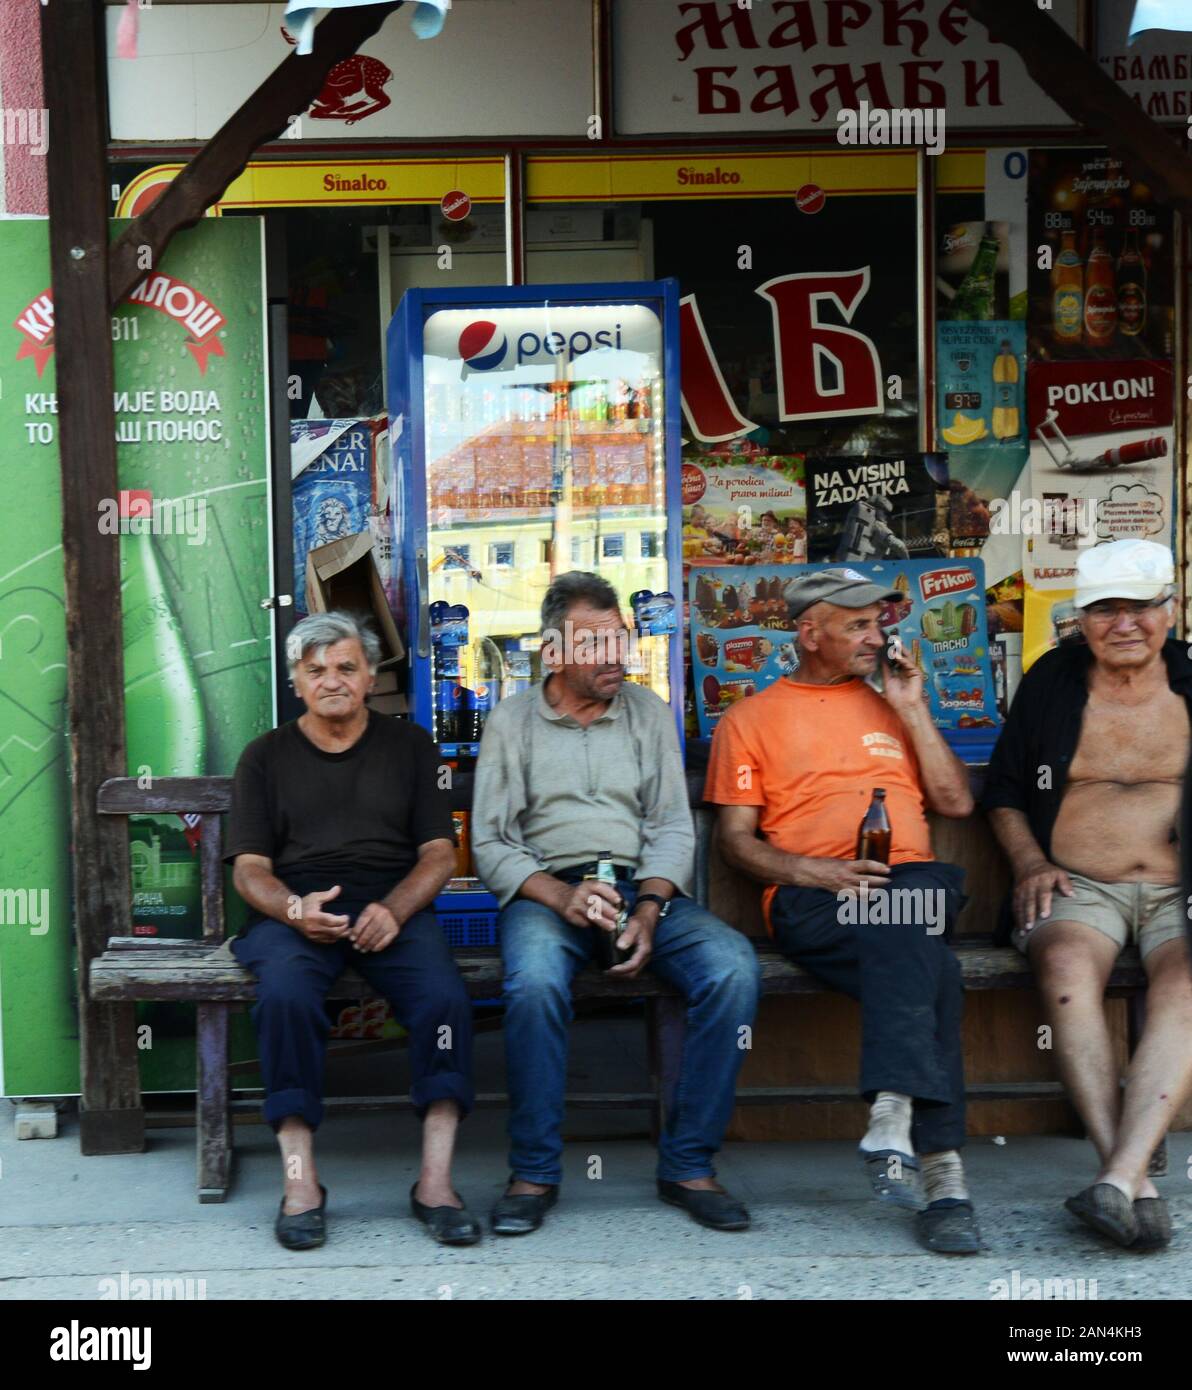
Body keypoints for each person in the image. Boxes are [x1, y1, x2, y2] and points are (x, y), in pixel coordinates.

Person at [471, 571, 761, 1235]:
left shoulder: (647, 713)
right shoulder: (513, 722)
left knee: (732, 967)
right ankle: (534, 1171)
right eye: (593, 642)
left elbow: (671, 826)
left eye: (619, 639)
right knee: (537, 982)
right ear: (552, 651)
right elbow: (491, 842)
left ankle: (688, 1162)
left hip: (639, 887)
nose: (614, 656)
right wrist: (562, 895)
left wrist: (652, 906)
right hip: (548, 892)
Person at [705, 568, 980, 1254]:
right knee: (932, 966)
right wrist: (816, 871)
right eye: (857, 625)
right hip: (814, 899)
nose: (875, 636)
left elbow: (956, 804)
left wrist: (914, 708)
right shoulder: (750, 719)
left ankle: (897, 1115)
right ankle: (942, 1179)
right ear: (808, 633)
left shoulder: (893, 703)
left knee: (910, 905)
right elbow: (735, 842)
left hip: (910, 882)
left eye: (878, 624)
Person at [225, 611, 478, 1250]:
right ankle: (300, 1181)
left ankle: (436, 1183)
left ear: (369, 675)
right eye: (316, 671)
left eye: (345, 667)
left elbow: (439, 854)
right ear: (296, 682)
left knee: (445, 1002)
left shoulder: (411, 746)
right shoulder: (264, 757)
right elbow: (250, 869)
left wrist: (394, 909)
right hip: (296, 911)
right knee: (283, 998)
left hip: (392, 908)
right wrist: (293, 911)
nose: (332, 681)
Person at [983, 539, 1192, 1251]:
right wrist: (1032, 863)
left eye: (1140, 606)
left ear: (1171, 610)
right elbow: (1006, 793)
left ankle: (1118, 1179)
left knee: (1188, 985)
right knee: (1066, 968)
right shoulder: (1052, 681)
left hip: (1179, 889)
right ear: (1081, 619)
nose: (1123, 622)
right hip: (1080, 886)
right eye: (1104, 609)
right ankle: (1130, 1178)